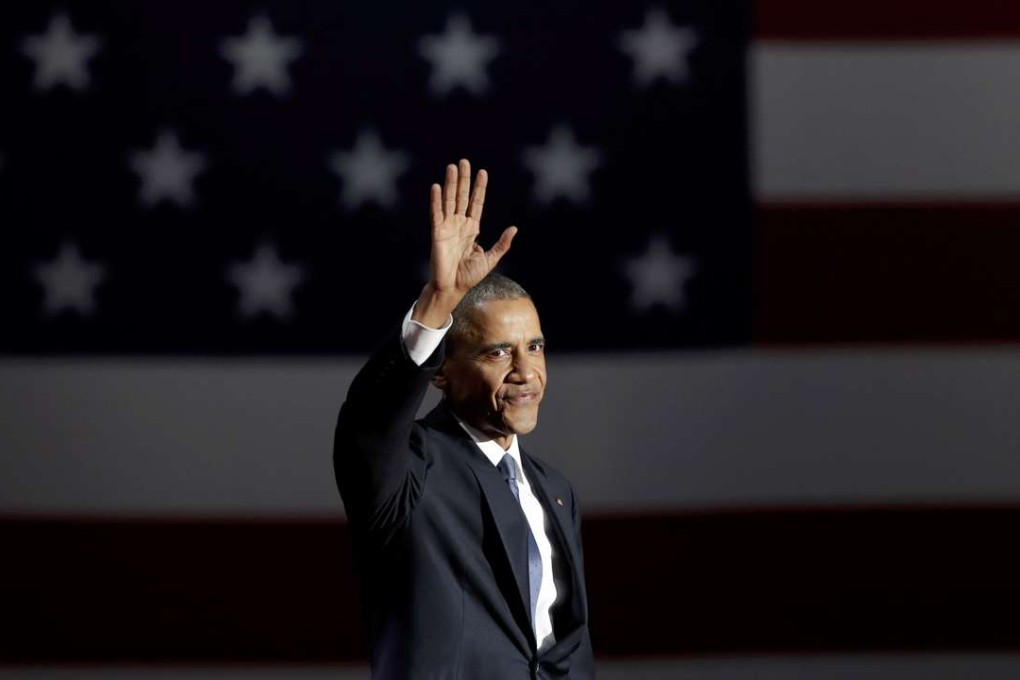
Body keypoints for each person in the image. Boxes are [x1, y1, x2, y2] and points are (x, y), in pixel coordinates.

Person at [333, 159, 594, 679]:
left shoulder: (555, 491)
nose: (526, 372)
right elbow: (369, 421)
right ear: (441, 373)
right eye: (498, 353)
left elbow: (560, 649)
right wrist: (438, 302)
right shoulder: (409, 472)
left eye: (535, 347)